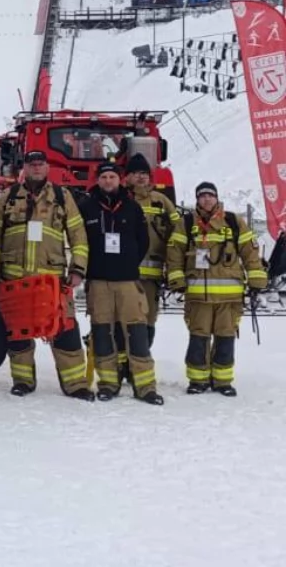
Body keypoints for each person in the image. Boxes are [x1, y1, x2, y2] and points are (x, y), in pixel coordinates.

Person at [0, 150, 93, 400]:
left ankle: (75, 384)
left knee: (66, 331)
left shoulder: (62, 196)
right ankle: (23, 381)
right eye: (31, 163)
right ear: (24, 167)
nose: (36, 167)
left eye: (40, 163)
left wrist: (78, 268)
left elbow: (78, 235)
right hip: (15, 280)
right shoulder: (9, 196)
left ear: (47, 167)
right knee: (18, 336)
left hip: (53, 281)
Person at [167, 182, 267, 396]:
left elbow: (249, 252)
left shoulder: (232, 222)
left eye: (210, 196)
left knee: (225, 336)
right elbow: (174, 254)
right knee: (198, 337)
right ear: (197, 200)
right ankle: (198, 380)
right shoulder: (186, 223)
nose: (206, 199)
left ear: (216, 198)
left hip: (229, 298)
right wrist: (176, 279)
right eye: (202, 196)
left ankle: (223, 381)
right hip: (197, 296)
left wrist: (257, 279)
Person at [78, 162, 161, 404]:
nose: (108, 181)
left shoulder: (132, 207)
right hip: (98, 282)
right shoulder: (87, 207)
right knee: (102, 332)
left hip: (127, 281)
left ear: (120, 179)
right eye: (104, 177)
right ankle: (108, 383)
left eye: (112, 176)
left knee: (136, 332)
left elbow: (142, 241)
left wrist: (126, 263)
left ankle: (145, 386)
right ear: (98, 180)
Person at [124, 153, 178, 376]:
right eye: (136, 173)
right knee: (123, 320)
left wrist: (173, 267)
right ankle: (123, 364)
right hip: (124, 274)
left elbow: (178, 234)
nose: (141, 178)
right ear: (127, 177)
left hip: (152, 275)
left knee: (147, 320)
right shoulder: (122, 199)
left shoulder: (161, 201)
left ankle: (140, 361)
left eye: (144, 173)